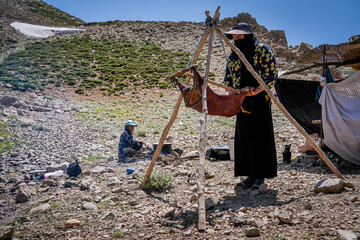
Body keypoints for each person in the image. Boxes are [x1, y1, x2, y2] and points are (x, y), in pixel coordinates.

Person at [223, 22, 278, 189]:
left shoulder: (263, 50)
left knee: (260, 137)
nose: (236, 38)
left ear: (248, 35)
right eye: (234, 36)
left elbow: (271, 74)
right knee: (244, 138)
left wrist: (256, 90)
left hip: (260, 100)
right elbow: (228, 76)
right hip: (241, 100)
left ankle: (260, 176)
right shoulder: (234, 54)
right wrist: (231, 91)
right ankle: (248, 176)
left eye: (240, 36)